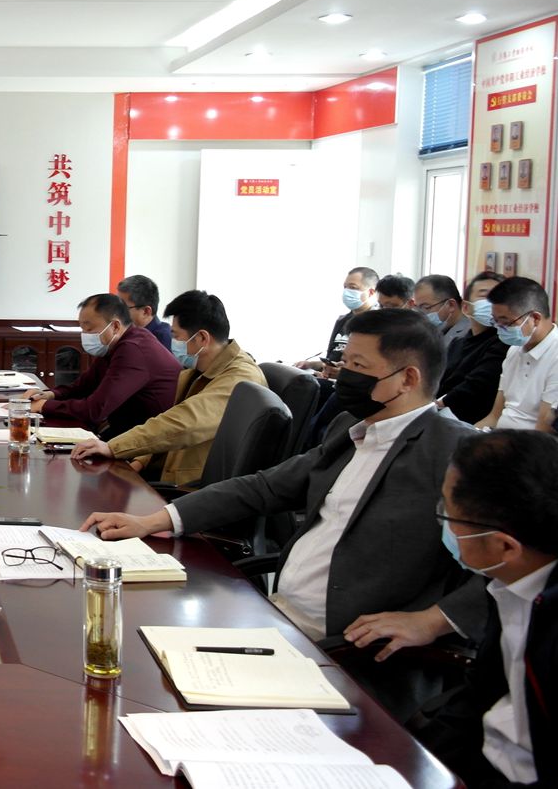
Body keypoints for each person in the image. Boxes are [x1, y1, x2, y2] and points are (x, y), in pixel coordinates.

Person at [83, 309, 486, 720]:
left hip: (349, 653)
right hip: (277, 618)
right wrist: (157, 519)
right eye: (345, 362)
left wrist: (434, 621)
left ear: (408, 378)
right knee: (131, 668)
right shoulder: (352, 427)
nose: (344, 375)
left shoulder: (458, 452)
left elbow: (518, 563)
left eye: (359, 366)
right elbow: (266, 487)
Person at [417, 430, 558, 788]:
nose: (443, 522)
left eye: (449, 515)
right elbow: (478, 694)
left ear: (505, 547)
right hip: (474, 761)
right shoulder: (508, 581)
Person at [71, 290, 265, 484]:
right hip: (168, 470)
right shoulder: (197, 371)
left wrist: (113, 447)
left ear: (202, 338)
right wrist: (140, 462)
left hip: (193, 487)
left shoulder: (240, 379)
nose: (173, 343)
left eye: (176, 336)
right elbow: (167, 428)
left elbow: (182, 424)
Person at [21, 293, 180, 438]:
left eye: (89, 328)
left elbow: (95, 410)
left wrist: (44, 406)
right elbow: (83, 386)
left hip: (150, 442)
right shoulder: (114, 345)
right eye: (82, 329)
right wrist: (50, 395)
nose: (85, 335)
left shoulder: (133, 349)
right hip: (127, 431)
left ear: (115, 326)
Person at [476, 277, 558, 432]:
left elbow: (543, 432)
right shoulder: (515, 349)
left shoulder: (555, 356)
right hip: (498, 436)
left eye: (506, 322)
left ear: (535, 319)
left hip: (529, 444)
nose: (499, 328)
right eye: (495, 321)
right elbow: (494, 416)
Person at [438, 271, 506, 424]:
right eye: (485, 296)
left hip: (470, 423)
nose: (492, 303)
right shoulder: (457, 344)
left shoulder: (503, 344)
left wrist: (435, 406)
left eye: (499, 297)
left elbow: (475, 386)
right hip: (442, 418)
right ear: (466, 307)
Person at [297, 266, 377, 378]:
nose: (347, 292)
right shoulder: (342, 321)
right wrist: (311, 365)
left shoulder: (378, 323)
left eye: (353, 288)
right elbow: (331, 360)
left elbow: (375, 367)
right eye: (345, 287)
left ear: (371, 292)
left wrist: (345, 374)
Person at [115, 274, 172, 350]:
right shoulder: (127, 333)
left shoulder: (162, 339)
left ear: (146, 312)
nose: (116, 313)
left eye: (123, 308)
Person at [415, 274, 471, 351]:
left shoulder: (468, 336)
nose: (420, 315)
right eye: (417, 308)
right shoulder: (435, 331)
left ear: (451, 305)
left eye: (425, 307)